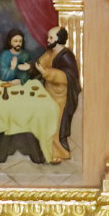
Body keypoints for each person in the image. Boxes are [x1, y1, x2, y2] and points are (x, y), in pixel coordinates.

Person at [34, 27, 81, 163]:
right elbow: (40, 63)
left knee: (55, 125)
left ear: (59, 39)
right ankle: (47, 150)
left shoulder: (66, 56)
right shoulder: (50, 53)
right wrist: (30, 67)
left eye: (51, 38)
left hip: (61, 97)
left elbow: (68, 77)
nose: (48, 40)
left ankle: (59, 152)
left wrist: (46, 73)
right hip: (49, 93)